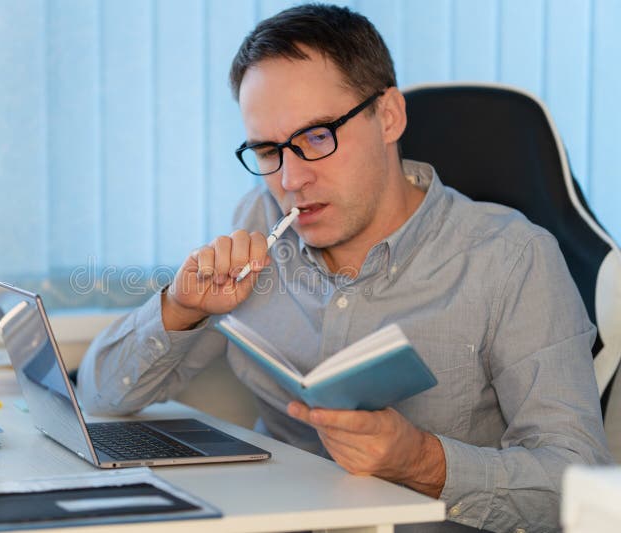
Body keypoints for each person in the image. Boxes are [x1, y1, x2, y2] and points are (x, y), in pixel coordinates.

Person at [77, 4, 612, 531]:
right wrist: (181, 308)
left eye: (316, 138)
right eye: (268, 149)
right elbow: (101, 395)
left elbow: (578, 483)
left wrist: (421, 462)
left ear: (389, 117)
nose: (290, 179)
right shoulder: (258, 222)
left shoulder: (512, 258)